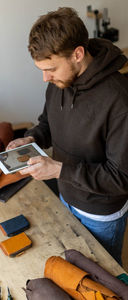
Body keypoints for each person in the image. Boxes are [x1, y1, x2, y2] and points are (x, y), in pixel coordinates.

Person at [7, 7, 128, 265]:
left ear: (78, 54)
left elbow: (121, 177)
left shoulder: (119, 100)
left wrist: (59, 170)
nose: (44, 78)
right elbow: (47, 124)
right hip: (65, 195)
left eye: (50, 68)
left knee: (104, 279)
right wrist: (32, 139)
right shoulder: (58, 83)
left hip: (100, 212)